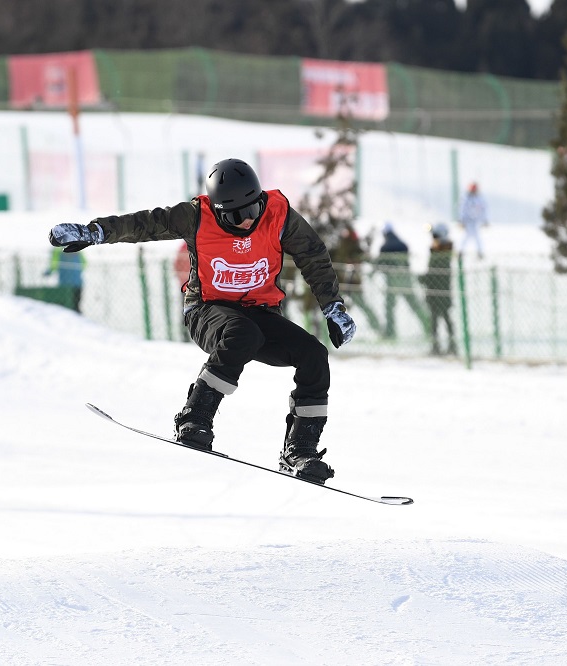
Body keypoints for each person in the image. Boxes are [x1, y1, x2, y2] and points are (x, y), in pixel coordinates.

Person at [48, 158, 355, 485]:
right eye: (235, 216)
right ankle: (194, 418)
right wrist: (96, 231)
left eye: (252, 211)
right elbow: (144, 224)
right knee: (242, 333)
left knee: (313, 354)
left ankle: (299, 450)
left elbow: (313, 256)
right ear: (219, 210)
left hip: (260, 310)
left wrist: (333, 306)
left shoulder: (279, 215)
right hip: (208, 310)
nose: (245, 222)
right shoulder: (196, 216)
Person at [374, 222, 430, 339]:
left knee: (389, 308)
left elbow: (379, 264)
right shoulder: (403, 244)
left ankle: (390, 333)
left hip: (392, 281)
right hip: (406, 280)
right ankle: (429, 328)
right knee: (415, 305)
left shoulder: (385, 247)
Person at [420, 224, 458, 356]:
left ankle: (452, 346)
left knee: (445, 320)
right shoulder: (437, 252)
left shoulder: (442, 254)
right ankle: (436, 346)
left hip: (441, 293)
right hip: (434, 294)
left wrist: (425, 279)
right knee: (435, 322)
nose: (433, 240)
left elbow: (437, 274)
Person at [45, 247, 86, 312]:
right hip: (76, 283)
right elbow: (84, 264)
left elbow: (54, 265)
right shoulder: (77, 248)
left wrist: (49, 272)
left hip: (65, 284)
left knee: (65, 305)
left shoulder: (58, 251)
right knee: (75, 306)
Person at [458, 182, 488, 259]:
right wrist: (462, 221)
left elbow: (483, 210)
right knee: (466, 236)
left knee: (477, 237)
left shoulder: (480, 199)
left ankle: (479, 252)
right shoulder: (465, 198)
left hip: (475, 222)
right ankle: (461, 251)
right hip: (468, 221)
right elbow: (462, 210)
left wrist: (485, 220)